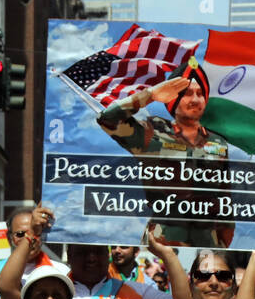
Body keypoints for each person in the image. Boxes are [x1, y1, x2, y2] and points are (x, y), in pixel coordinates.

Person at [95, 59, 235, 247]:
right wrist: (150, 95)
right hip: (163, 242)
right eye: (186, 94)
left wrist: (224, 244)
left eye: (200, 94)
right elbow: (107, 120)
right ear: (173, 99)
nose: (195, 99)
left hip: (206, 244)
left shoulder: (218, 143)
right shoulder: (152, 133)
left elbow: (225, 196)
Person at [61, 229, 191, 299]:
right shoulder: (54, 295)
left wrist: (167, 254)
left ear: (107, 254)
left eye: (98, 251)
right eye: (83, 251)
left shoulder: (137, 293)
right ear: (70, 255)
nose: (91, 258)